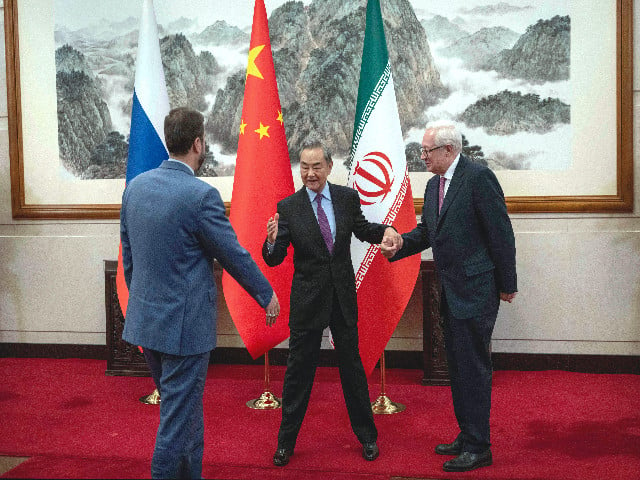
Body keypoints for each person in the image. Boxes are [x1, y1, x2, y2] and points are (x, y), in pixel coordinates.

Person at [120, 107, 280, 479]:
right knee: (176, 423)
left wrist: (146, 304)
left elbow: (129, 261)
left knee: (185, 414)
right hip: (184, 331)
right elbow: (233, 255)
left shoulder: (135, 189)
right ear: (197, 143)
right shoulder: (201, 196)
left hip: (146, 324)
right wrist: (266, 294)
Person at [381, 121, 517, 473]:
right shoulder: (434, 185)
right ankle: (467, 433)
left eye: (426, 151)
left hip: (476, 289)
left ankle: (479, 447)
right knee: (457, 367)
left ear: (448, 150)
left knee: (472, 367)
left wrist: (508, 283)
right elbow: (429, 231)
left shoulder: (478, 178)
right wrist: (400, 244)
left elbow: (501, 233)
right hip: (450, 289)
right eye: (422, 151)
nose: (422, 156)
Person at [262, 140, 402, 467]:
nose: (310, 174)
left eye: (316, 167)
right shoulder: (288, 207)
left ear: (329, 166)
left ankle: (367, 437)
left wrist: (388, 231)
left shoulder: (346, 198)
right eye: (304, 167)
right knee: (298, 375)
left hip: (341, 298)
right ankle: (285, 443)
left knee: (352, 370)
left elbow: (365, 230)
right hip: (308, 302)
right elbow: (274, 258)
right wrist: (270, 241)